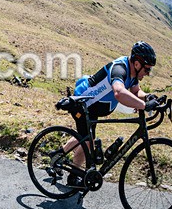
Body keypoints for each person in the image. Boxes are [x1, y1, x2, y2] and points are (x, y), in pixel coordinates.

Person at [66, 41, 159, 186]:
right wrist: (144, 105)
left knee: (84, 137)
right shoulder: (119, 69)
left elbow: (136, 92)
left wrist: (148, 97)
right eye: (147, 69)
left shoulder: (133, 73)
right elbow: (119, 92)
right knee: (88, 141)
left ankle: (59, 155)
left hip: (93, 107)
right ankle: (73, 175)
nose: (148, 73)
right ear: (137, 64)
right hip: (83, 104)